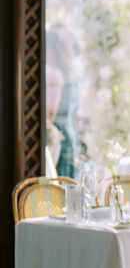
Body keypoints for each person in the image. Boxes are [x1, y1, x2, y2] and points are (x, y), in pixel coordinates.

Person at [45, 27, 80, 178]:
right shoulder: (71, 75)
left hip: (60, 137)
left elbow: (50, 113)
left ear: (53, 50)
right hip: (72, 134)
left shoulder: (55, 74)